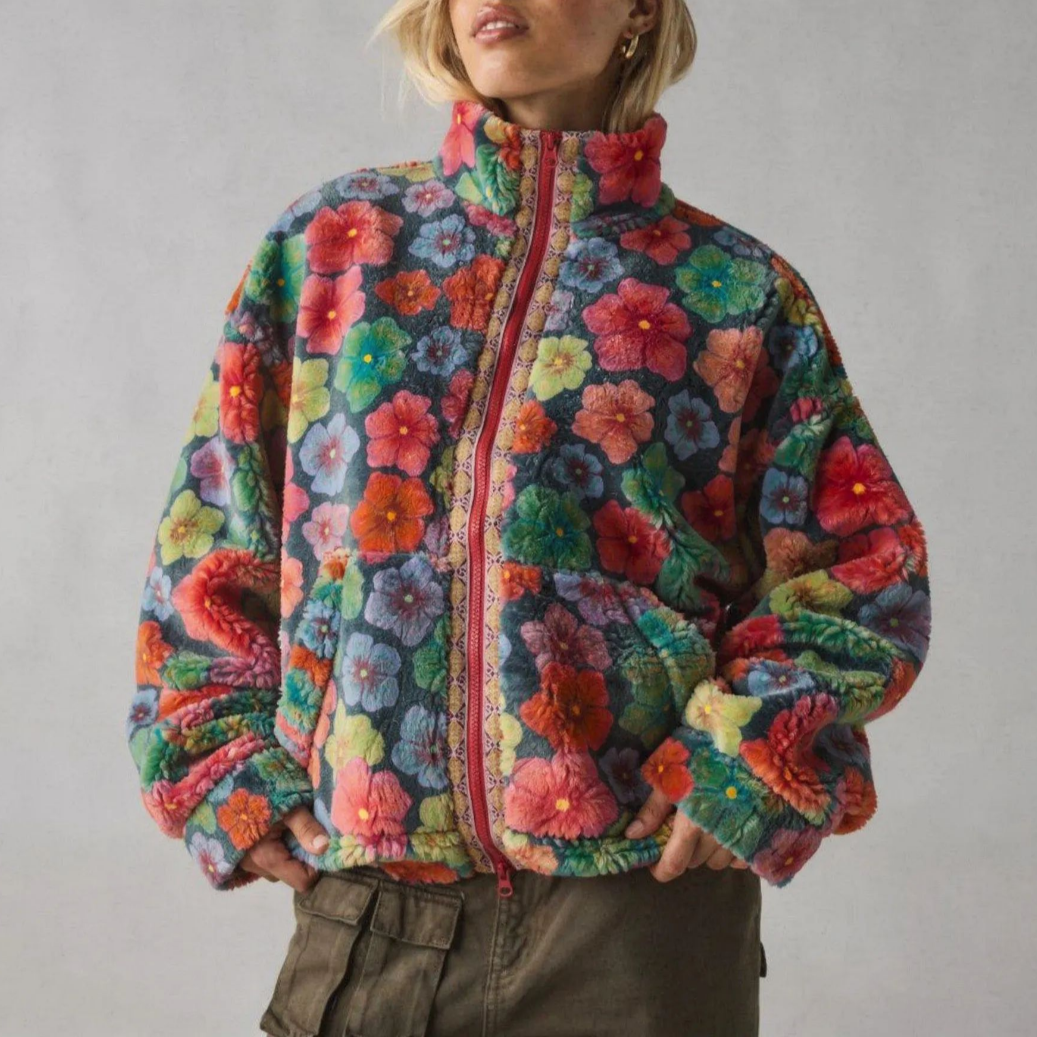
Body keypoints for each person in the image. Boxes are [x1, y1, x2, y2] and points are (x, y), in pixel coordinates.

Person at [126, 1, 933, 1034]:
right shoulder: (334, 248)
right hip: (373, 904)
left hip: (634, 924)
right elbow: (212, 527)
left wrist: (745, 756)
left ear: (639, 10)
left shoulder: (736, 293)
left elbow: (861, 569)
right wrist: (222, 767)